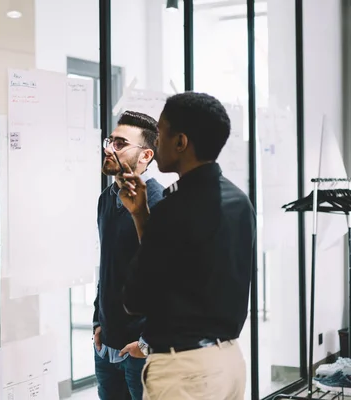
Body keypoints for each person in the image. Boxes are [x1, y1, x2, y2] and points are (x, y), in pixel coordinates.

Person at [117, 92, 255, 399]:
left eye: (162, 133)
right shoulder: (239, 201)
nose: (156, 144)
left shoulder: (174, 208)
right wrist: (142, 214)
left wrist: (145, 218)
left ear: (180, 142)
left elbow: (136, 298)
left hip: (186, 370)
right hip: (230, 362)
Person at [93, 110, 165, 399]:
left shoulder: (160, 203)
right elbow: (108, 266)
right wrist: (98, 322)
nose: (110, 148)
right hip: (106, 347)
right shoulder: (106, 199)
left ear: (146, 155)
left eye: (120, 144)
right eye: (110, 140)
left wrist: (146, 343)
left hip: (143, 352)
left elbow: (170, 282)